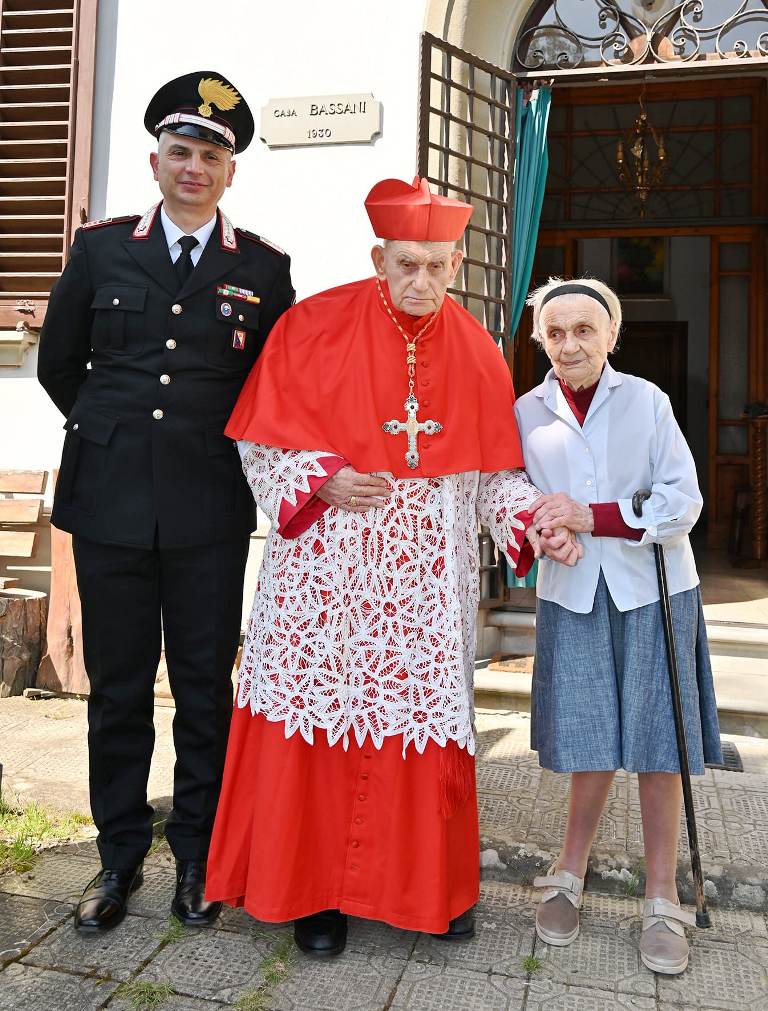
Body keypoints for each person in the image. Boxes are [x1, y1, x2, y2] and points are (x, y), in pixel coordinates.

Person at [205, 176, 581, 958]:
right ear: (379, 258)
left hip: (424, 588)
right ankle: (314, 894)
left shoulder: (477, 349)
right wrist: (321, 477)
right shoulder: (311, 326)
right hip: (325, 580)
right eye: (406, 264)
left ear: (457, 263)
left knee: (418, 729)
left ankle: (426, 890)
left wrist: (532, 519)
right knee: (319, 728)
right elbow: (259, 445)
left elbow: (494, 477)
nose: (421, 281)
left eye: (437, 266)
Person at [37, 71, 295, 933]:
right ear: (156, 161)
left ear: (231, 172)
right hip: (109, 501)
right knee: (116, 689)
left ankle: (198, 854)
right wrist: (111, 431)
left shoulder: (262, 268)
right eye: (180, 151)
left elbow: (275, 385)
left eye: (210, 157)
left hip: (207, 510)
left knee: (203, 688)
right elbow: (59, 364)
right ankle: (117, 856)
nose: (194, 168)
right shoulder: (100, 249)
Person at [514, 277, 722, 975]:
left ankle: (662, 896)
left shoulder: (647, 401)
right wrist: (541, 528)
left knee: (660, 744)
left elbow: (682, 501)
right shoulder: (526, 411)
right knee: (588, 739)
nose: (569, 344)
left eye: (584, 330)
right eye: (555, 332)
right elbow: (515, 497)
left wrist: (592, 516)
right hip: (573, 593)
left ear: (612, 335)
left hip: (654, 592)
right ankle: (569, 872)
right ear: (540, 340)